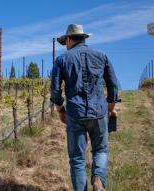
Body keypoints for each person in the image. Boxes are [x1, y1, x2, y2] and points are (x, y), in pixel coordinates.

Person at [51, 24, 119, 191]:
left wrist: (60, 109)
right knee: (100, 150)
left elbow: (55, 89)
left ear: (68, 39)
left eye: (64, 42)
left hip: (75, 113)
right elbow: (113, 85)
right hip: (99, 112)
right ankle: (97, 179)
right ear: (83, 38)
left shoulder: (61, 60)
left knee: (77, 159)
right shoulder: (101, 56)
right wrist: (110, 106)